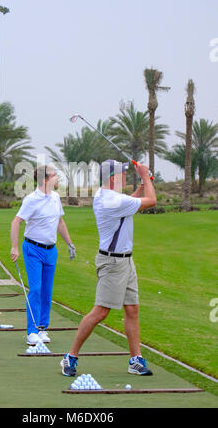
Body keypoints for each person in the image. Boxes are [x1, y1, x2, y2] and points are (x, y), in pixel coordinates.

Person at [60, 159, 157, 377]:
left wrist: (144, 182)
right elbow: (151, 201)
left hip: (125, 261)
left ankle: (135, 360)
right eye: (123, 174)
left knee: (132, 309)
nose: (125, 177)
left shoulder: (109, 197)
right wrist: (144, 177)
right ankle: (70, 356)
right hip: (112, 263)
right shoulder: (111, 200)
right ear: (113, 178)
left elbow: (131, 203)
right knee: (101, 311)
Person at [10, 165, 76, 346]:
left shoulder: (55, 197)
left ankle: (42, 328)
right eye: (55, 176)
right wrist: (14, 247)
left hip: (51, 251)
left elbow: (60, 221)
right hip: (32, 249)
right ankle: (31, 331)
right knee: (36, 289)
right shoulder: (31, 200)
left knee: (47, 291)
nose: (57, 179)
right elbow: (16, 222)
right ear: (45, 180)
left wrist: (69, 243)